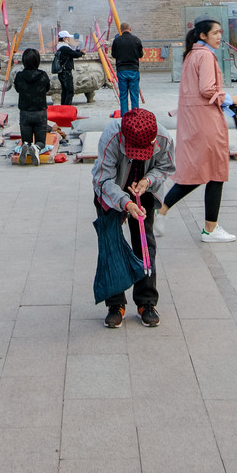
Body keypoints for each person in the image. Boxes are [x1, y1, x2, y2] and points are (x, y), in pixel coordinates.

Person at [92, 108, 175, 328]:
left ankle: (146, 302)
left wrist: (148, 181)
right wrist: (125, 203)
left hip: (144, 189)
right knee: (111, 244)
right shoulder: (112, 136)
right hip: (111, 191)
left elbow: (166, 167)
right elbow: (103, 179)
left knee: (145, 242)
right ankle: (115, 304)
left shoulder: (164, 138)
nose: (137, 155)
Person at [155, 18, 235, 243]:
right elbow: (207, 89)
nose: (219, 36)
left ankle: (161, 211)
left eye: (220, 32)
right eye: (215, 33)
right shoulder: (206, 56)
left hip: (194, 121)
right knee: (215, 173)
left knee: (197, 173)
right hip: (206, 122)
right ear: (203, 35)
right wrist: (230, 99)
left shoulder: (192, 54)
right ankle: (210, 230)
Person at [14, 47, 50, 164]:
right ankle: (37, 147)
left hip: (25, 112)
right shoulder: (43, 75)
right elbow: (47, 88)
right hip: (40, 112)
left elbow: (18, 89)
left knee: (26, 141)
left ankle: (26, 146)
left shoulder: (19, 76)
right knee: (41, 142)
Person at [110, 22, 143, 117]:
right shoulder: (136, 40)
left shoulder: (117, 41)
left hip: (122, 70)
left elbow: (114, 55)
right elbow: (140, 55)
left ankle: (124, 117)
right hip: (133, 70)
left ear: (120, 30)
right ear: (130, 29)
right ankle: (135, 116)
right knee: (134, 95)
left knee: (123, 95)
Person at [53, 31, 83, 106]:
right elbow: (74, 54)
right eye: (68, 38)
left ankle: (63, 106)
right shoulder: (64, 48)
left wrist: (78, 51)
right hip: (66, 72)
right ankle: (66, 107)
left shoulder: (60, 47)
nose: (69, 39)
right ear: (64, 39)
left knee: (64, 91)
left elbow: (71, 53)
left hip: (62, 72)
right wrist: (82, 53)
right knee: (70, 91)